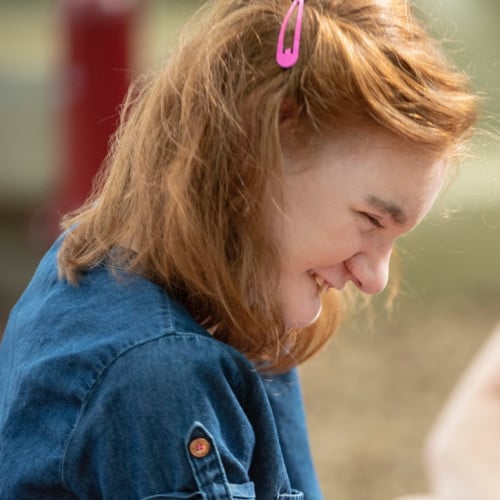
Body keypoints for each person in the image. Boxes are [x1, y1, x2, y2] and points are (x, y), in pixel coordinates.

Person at [0, 0, 478, 498]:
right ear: (264, 145)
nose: (375, 279)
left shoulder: (92, 266)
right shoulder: (159, 375)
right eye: (370, 219)